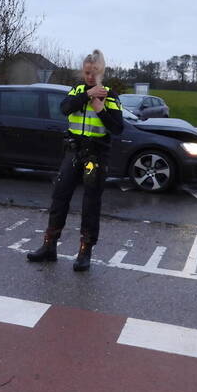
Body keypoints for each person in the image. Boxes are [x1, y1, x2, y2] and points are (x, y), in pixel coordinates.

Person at [27, 49, 123, 271]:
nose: (90, 76)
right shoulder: (77, 90)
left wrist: (101, 109)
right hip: (72, 152)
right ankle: (49, 246)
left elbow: (117, 128)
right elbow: (65, 108)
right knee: (59, 197)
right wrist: (87, 96)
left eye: (94, 72)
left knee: (90, 203)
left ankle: (84, 252)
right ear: (83, 71)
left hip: (95, 155)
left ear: (102, 71)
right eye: (87, 72)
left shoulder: (110, 96)